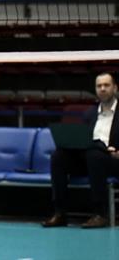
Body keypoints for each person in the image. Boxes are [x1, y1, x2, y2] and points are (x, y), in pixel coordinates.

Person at [42, 72, 119, 229]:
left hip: (113, 159)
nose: (102, 89)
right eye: (99, 86)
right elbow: (84, 138)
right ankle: (60, 213)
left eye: (106, 85)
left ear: (115, 88)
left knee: (94, 154)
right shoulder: (89, 113)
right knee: (59, 156)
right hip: (91, 158)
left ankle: (100, 214)